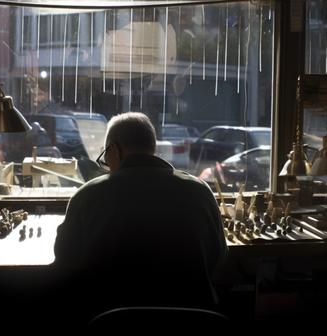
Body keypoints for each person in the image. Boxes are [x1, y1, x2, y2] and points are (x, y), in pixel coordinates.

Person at [53, 112, 228, 313]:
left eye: (105, 158)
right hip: (190, 326)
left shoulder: (88, 196)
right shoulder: (201, 193)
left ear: (113, 149)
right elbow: (220, 257)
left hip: (109, 323)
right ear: (152, 148)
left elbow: (65, 256)